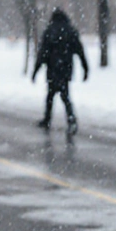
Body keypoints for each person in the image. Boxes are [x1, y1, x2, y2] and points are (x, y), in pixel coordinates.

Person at [32, 8, 88, 136]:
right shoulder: (71, 31)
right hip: (66, 69)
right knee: (65, 96)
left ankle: (47, 119)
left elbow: (42, 53)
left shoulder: (49, 31)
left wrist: (36, 70)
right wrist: (85, 68)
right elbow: (80, 51)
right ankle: (71, 119)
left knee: (50, 95)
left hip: (52, 69)